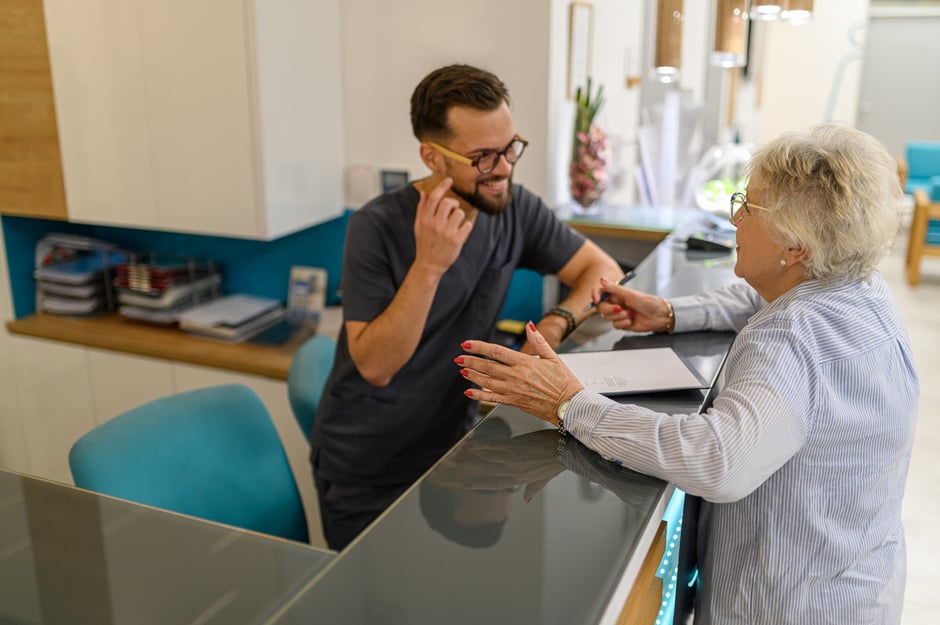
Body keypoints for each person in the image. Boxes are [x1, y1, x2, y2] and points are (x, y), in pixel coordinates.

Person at [456, 124, 919, 624]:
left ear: (797, 246)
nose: (734, 217)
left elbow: (717, 461)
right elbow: (756, 296)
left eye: (749, 207)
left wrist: (569, 402)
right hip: (857, 588)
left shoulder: (791, 337)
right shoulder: (860, 288)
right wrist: (669, 314)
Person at [310, 64, 622, 551]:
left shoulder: (514, 207)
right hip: (370, 469)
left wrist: (557, 326)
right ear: (432, 157)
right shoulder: (376, 227)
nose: (502, 169)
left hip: (457, 452)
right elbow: (375, 366)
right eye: (482, 157)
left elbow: (602, 270)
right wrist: (429, 266)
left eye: (509, 148)